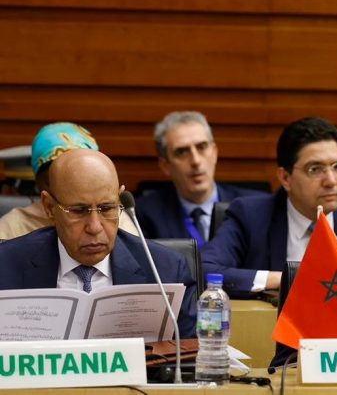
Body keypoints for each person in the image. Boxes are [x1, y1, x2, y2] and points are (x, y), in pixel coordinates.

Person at [0, 149, 197, 337]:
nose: (95, 227)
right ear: (50, 207)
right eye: (78, 211)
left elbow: (189, 354)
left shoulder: (166, 271)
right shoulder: (5, 267)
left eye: (107, 208)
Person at [202, 117, 337, 298]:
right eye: (315, 169)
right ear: (285, 178)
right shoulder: (250, 216)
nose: (331, 181)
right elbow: (204, 269)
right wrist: (286, 279)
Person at [135, 111, 264, 245]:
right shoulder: (144, 215)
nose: (196, 161)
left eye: (201, 147)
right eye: (182, 152)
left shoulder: (254, 208)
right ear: (165, 166)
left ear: (214, 154)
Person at [0, 122, 137, 239]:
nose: (94, 226)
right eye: (78, 210)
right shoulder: (11, 227)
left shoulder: (116, 219)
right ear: (41, 184)